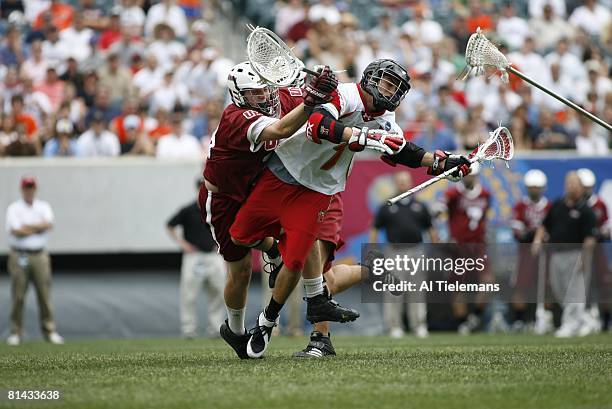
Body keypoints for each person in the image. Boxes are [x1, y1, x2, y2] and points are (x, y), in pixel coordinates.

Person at [231, 59, 472, 358]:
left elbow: (400, 150)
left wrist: (442, 162)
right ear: (370, 78)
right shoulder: (346, 94)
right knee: (264, 249)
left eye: (395, 87)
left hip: (324, 191)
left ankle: (311, 337)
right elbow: (318, 125)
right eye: (386, 82)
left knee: (315, 271)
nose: (390, 90)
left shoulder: (386, 117)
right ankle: (372, 272)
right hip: (286, 172)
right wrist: (360, 135)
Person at [199, 61, 340, 359]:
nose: (263, 96)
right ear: (239, 95)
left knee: (303, 235)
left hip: (259, 188)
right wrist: (311, 100)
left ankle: (314, 299)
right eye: (255, 93)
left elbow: (312, 91)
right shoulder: (235, 117)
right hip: (223, 198)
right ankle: (235, 331)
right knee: (239, 269)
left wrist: (323, 79)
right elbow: (281, 127)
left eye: (265, 89)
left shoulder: (280, 98)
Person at [370, 171, 438, 338]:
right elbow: (375, 229)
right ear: (395, 183)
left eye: (405, 181)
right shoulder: (386, 206)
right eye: (399, 181)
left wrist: (436, 249)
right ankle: (394, 326)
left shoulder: (420, 206)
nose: (402, 184)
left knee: (417, 291)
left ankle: (419, 325)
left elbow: (430, 229)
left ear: (410, 183)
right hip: (394, 252)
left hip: (416, 251)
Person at [532, 171, 597, 338]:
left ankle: (570, 325)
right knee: (558, 289)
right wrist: (538, 240)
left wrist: (585, 257)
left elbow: (590, 237)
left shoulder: (586, 210)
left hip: (576, 254)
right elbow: (544, 225)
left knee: (574, 292)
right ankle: (584, 319)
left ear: (582, 188)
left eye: (575, 184)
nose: (572, 187)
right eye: (569, 183)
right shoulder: (558, 205)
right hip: (557, 254)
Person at [5, 176, 64, 346]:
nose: (29, 191)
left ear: (35, 189)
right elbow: (16, 231)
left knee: (44, 294)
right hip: (20, 254)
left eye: (31, 188)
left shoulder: (43, 206)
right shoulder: (14, 208)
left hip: (40, 255)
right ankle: (16, 332)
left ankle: (50, 331)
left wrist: (27, 227)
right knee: (18, 295)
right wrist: (37, 226)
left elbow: (48, 224)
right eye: (26, 188)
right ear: (22, 189)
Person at [167, 178, 225, 338]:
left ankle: (216, 328)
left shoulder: (215, 208)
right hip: (194, 257)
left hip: (213, 256)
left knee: (219, 292)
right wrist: (182, 244)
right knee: (189, 294)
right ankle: (188, 329)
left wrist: (220, 244)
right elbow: (169, 225)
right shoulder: (188, 209)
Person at [439, 163, 492, 334]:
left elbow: (484, 219)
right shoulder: (453, 193)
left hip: (478, 245)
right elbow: (440, 208)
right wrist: (437, 211)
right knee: (458, 286)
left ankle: (475, 316)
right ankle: (462, 323)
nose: (469, 178)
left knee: (488, 282)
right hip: (459, 247)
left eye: (472, 175)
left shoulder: (485, 194)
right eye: (467, 175)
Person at [510, 169, 552, 333]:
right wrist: (533, 233)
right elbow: (517, 231)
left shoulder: (549, 206)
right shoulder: (521, 206)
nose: (535, 190)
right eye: (532, 187)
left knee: (546, 287)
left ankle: (545, 318)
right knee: (522, 286)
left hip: (545, 252)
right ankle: (519, 320)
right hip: (526, 252)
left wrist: (542, 236)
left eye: (538, 187)